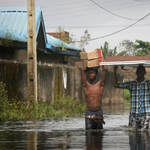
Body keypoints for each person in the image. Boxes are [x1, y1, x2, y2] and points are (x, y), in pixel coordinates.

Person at [113, 65, 150, 131]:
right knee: (132, 135)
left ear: (145, 72)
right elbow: (116, 84)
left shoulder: (148, 84)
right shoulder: (131, 84)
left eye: (141, 71)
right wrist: (114, 70)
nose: (139, 72)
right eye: (138, 71)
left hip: (146, 115)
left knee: (144, 135)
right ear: (136, 73)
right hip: (133, 115)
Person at [81, 65, 107, 130]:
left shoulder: (100, 84)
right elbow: (82, 70)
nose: (91, 75)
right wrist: (90, 66)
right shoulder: (86, 85)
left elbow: (105, 69)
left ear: (97, 74)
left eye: (93, 73)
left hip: (98, 113)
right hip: (89, 113)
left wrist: (99, 64)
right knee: (88, 134)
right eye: (89, 73)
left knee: (99, 134)